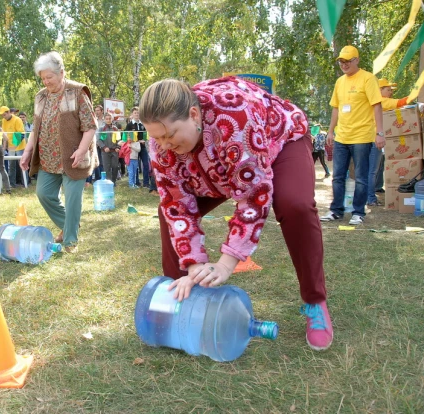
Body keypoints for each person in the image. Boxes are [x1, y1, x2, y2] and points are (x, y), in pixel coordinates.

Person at [139, 77, 333, 351]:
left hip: (278, 141)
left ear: (193, 114)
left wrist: (225, 264)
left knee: (294, 205)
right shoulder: (161, 144)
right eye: (156, 137)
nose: (164, 144)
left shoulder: (236, 116)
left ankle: (315, 302)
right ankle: (177, 301)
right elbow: (177, 207)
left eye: (170, 135)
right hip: (214, 167)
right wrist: (194, 264)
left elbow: (253, 197)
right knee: (167, 211)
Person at [20, 51, 98, 253]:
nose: (46, 82)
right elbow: (36, 129)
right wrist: (27, 152)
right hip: (48, 157)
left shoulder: (77, 92)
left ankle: (70, 240)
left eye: (50, 77)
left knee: (72, 198)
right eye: (43, 78)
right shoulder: (41, 96)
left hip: (73, 156)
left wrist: (82, 150)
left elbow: (90, 126)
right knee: (44, 193)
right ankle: (69, 224)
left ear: (61, 73)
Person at [320, 45, 384, 225]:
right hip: (342, 137)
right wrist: (331, 131)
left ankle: (358, 212)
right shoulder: (340, 82)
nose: (344, 64)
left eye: (348, 61)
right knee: (338, 176)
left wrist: (379, 133)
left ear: (356, 60)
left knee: (361, 178)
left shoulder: (368, 78)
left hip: (362, 137)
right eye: (341, 61)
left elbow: (377, 106)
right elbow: (336, 108)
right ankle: (336, 211)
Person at [374, 79, 411, 194]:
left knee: (380, 163)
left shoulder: (384, 102)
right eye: (388, 90)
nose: (391, 92)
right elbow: (401, 103)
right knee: (377, 164)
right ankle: (374, 188)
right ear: (380, 90)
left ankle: (377, 186)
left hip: (382, 136)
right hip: (377, 136)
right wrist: (415, 93)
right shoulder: (382, 101)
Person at [0, 106, 26, 188]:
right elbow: (5, 135)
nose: (3, 117)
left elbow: (21, 134)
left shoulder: (17, 120)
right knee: (11, 165)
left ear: (8, 112)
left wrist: (14, 145)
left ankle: (25, 183)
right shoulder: (3, 121)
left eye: (4, 115)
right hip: (10, 146)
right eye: (2, 115)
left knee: (22, 164)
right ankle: (12, 183)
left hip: (19, 145)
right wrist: (4, 147)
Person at [125, 107, 149, 187]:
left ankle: (146, 183)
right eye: (135, 113)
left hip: (142, 147)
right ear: (132, 114)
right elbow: (125, 137)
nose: (137, 114)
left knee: (146, 164)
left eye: (138, 113)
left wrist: (144, 140)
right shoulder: (129, 125)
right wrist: (136, 141)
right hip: (134, 148)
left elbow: (146, 135)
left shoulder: (143, 124)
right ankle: (136, 182)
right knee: (136, 165)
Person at [97, 113, 120, 184]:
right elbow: (98, 140)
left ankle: (114, 181)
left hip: (114, 150)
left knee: (115, 166)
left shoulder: (115, 128)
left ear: (112, 119)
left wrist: (118, 147)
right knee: (107, 168)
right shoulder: (101, 128)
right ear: (104, 119)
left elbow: (118, 139)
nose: (108, 120)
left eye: (109, 118)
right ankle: (109, 182)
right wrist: (104, 147)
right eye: (107, 119)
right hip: (105, 151)